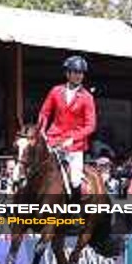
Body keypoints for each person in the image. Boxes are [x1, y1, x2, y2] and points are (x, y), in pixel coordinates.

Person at [37, 55, 96, 202]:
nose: (78, 76)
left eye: (81, 73)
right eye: (75, 72)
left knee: (75, 180)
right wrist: (42, 130)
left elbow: (90, 125)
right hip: (53, 140)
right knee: (35, 168)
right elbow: (45, 113)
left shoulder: (87, 97)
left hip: (74, 146)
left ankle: (74, 210)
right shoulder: (56, 91)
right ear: (68, 73)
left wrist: (72, 138)